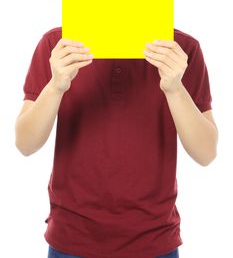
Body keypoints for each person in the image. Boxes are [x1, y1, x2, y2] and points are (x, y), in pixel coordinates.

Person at [15, 26, 218, 258]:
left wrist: (175, 89)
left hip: (155, 240)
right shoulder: (58, 45)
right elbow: (25, 143)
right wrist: (56, 86)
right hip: (71, 238)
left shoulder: (181, 50)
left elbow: (206, 153)